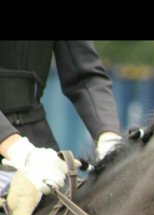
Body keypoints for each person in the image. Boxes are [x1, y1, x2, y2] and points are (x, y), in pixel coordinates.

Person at [0, 41, 121, 197]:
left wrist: (109, 138)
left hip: (37, 143)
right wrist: (18, 150)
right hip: (20, 150)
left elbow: (85, 76)